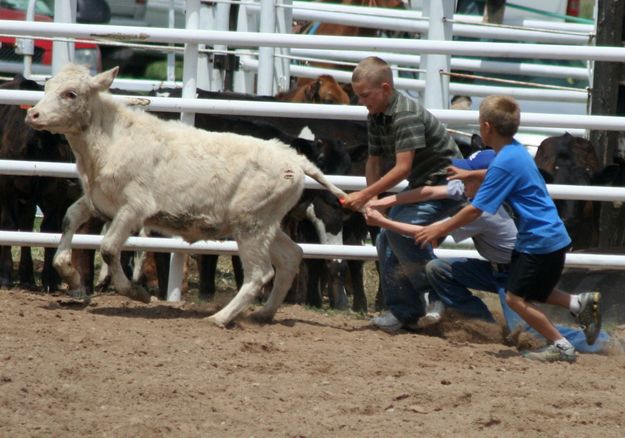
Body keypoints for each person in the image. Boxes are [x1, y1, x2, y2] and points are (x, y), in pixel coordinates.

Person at [411, 94, 601, 363]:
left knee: (516, 299)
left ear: (487, 127)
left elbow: (476, 209)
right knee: (533, 293)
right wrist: (471, 175)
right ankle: (578, 304)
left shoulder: (504, 160)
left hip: (538, 240)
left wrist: (438, 228)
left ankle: (562, 345)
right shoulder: (514, 151)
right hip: (550, 237)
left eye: (479, 123)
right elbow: (499, 173)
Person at [366, 148, 610, 355]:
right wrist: (381, 201)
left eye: (469, 176)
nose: (460, 181)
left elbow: (426, 231)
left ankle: (601, 342)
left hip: (515, 274)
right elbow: (431, 192)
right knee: (438, 269)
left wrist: (383, 221)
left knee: (526, 333)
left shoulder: (484, 211)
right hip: (499, 268)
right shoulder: (477, 193)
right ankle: (486, 326)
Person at [341, 56, 463, 332]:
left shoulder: (405, 115)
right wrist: (375, 204)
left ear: (385, 88)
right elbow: (374, 161)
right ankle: (405, 309)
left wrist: (365, 197)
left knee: (397, 231)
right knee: (387, 235)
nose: (362, 101)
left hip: (449, 186)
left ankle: (436, 293)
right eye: (359, 95)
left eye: (365, 95)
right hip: (425, 184)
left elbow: (401, 168)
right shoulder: (377, 113)